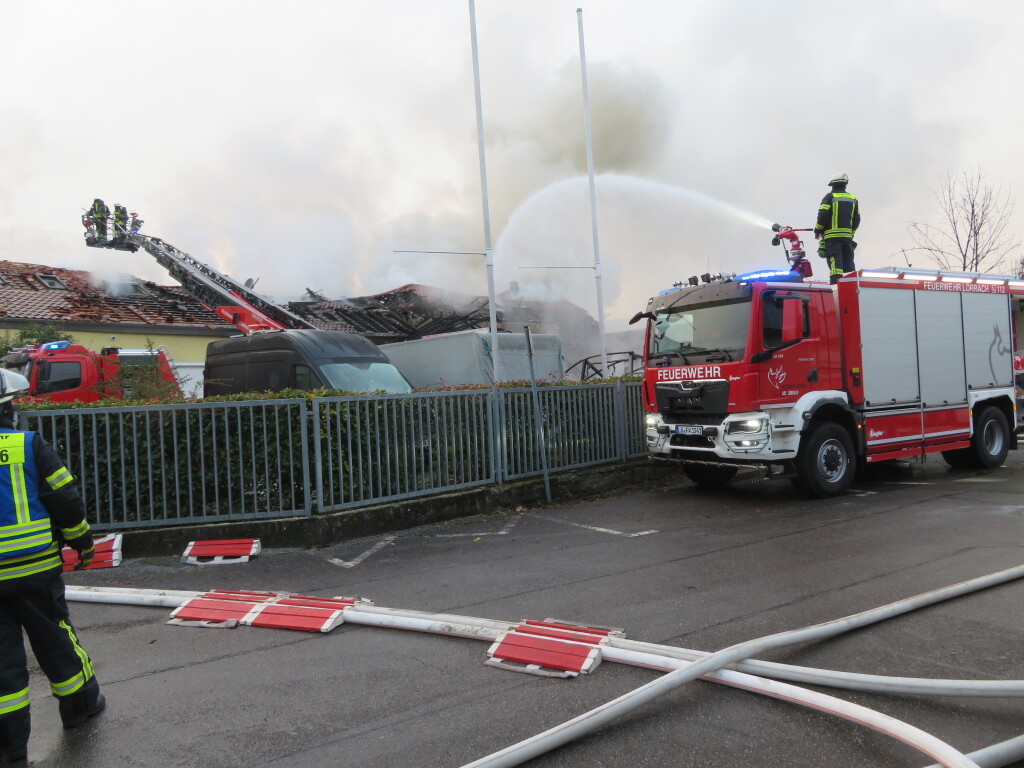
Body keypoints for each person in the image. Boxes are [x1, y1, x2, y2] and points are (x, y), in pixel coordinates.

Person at [0, 370, 105, 762]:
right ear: (8, 408)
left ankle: (11, 750)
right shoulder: (28, 445)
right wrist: (82, 542)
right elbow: (64, 499)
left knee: (1, 662)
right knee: (56, 639)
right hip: (35, 571)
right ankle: (79, 709)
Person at [814, 173, 860, 284]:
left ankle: (835, 286)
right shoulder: (853, 199)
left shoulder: (830, 197)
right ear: (845, 185)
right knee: (849, 263)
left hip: (832, 238)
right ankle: (850, 286)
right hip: (847, 238)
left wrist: (818, 230)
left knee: (835, 264)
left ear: (832, 185)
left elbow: (823, 215)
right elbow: (857, 219)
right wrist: (851, 233)